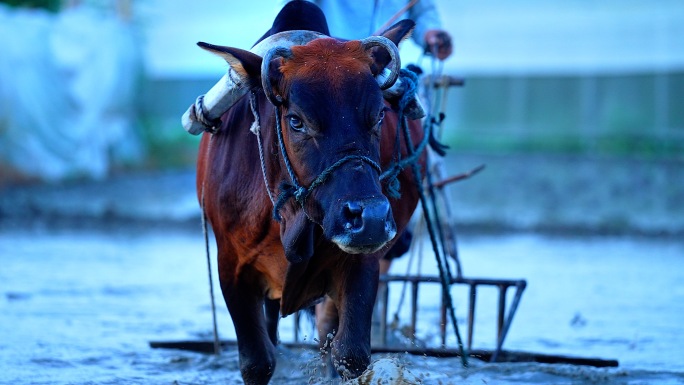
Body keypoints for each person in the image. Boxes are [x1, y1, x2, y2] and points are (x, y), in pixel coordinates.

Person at [279, 0, 453, 60]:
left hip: (387, 68)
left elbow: (423, 12)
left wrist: (430, 34)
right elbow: (296, 8)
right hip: (329, 65)